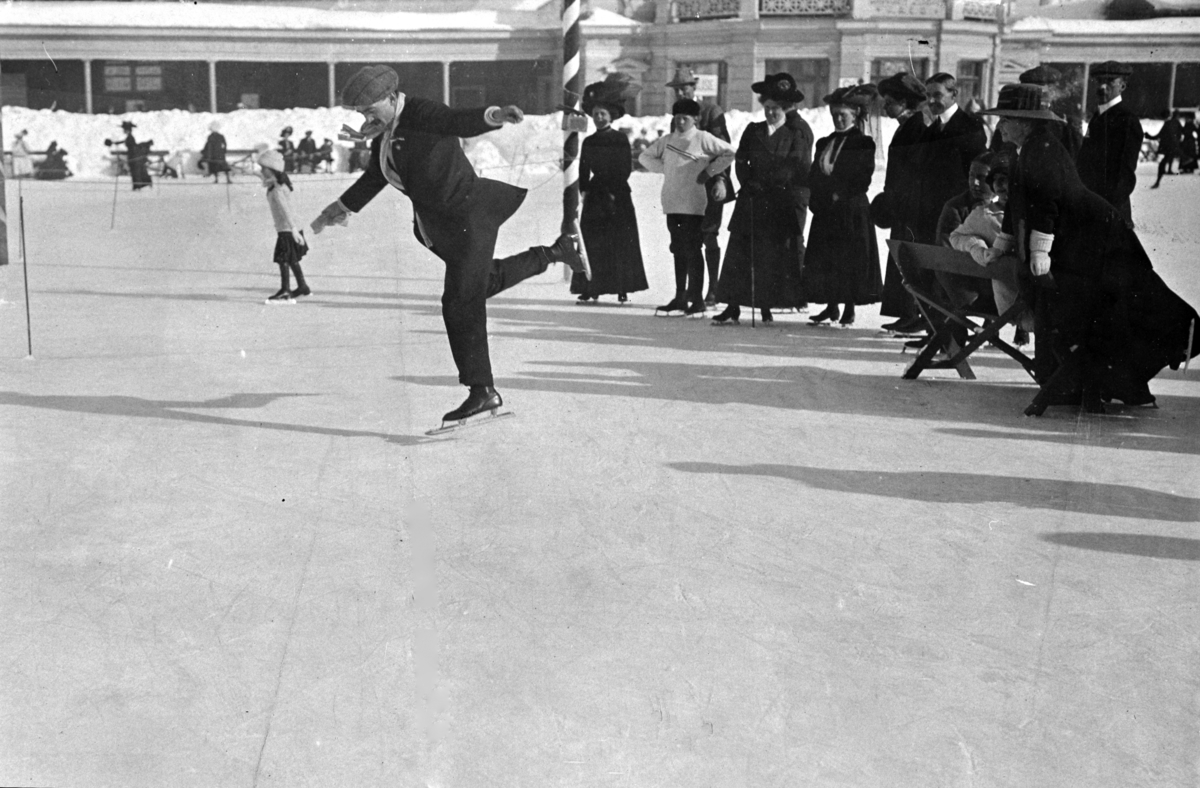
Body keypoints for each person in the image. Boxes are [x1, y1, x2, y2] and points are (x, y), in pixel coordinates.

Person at [310, 65, 588, 423]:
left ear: (392, 98)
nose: (366, 118)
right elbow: (376, 176)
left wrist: (494, 116)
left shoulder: (421, 112)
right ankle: (556, 251)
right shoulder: (386, 134)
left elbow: (457, 120)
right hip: (443, 228)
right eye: (362, 113)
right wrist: (340, 208)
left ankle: (482, 391)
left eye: (370, 110)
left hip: (470, 215)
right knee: (480, 283)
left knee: (460, 302)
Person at [980, 83, 1199, 416]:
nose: (1000, 126)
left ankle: (1125, 384)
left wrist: (1040, 251)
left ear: (1024, 122)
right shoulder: (1028, 149)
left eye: (1005, 119)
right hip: (1081, 242)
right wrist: (1002, 245)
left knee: (1128, 309)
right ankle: (1105, 384)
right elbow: (1018, 204)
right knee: (1102, 314)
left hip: (1100, 240)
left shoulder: (1044, 149)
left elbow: (1049, 200)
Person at [711, 72, 812, 325]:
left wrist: (771, 183)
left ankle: (766, 306)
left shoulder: (794, 133)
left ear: (785, 108)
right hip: (751, 200)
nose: (770, 113)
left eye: (775, 108)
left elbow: (795, 164)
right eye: (767, 108)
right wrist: (748, 182)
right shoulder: (753, 130)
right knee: (740, 254)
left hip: (777, 202)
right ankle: (732, 305)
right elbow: (741, 160)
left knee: (768, 256)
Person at [638, 98, 736, 317]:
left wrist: (709, 172)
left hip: (694, 204)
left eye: (685, 118)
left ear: (696, 119)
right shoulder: (668, 140)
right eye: (677, 118)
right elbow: (645, 157)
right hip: (673, 202)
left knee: (693, 249)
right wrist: (666, 168)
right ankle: (680, 296)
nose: (680, 122)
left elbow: (729, 152)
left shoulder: (703, 138)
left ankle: (697, 299)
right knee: (677, 249)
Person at [802, 85, 883, 328]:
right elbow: (814, 174)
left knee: (848, 259)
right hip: (826, 210)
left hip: (850, 210)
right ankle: (831, 306)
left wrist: (839, 193)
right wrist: (819, 196)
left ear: (854, 114)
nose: (838, 119)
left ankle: (849, 307)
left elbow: (862, 178)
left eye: (843, 115)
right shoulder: (824, 142)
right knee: (826, 259)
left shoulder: (863, 143)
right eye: (835, 114)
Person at [571, 74, 649, 305]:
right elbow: (583, 169)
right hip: (595, 196)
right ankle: (591, 287)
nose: (599, 118)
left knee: (620, 243)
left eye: (603, 114)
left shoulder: (620, 139)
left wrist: (613, 191)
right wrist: (584, 190)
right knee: (593, 243)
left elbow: (625, 168)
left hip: (617, 195)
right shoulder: (589, 141)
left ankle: (622, 288)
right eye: (596, 114)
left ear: (611, 116)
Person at [666, 66, 731, 307]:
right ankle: (683, 294)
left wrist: (720, 179)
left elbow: (723, 149)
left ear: (694, 87)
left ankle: (713, 289)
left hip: (710, 184)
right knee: (682, 240)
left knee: (709, 235)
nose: (680, 93)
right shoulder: (676, 117)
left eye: (684, 88)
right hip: (685, 187)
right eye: (676, 89)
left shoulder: (711, 111)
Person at [872, 72, 928, 332]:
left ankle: (915, 314)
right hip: (901, 205)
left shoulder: (917, 126)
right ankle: (907, 312)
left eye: (890, 102)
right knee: (902, 257)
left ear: (905, 102)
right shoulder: (906, 126)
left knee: (910, 259)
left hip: (910, 206)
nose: (885, 106)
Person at [1076, 61, 1143, 224]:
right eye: (1100, 81)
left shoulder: (1126, 120)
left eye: (1110, 82)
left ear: (1122, 86)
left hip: (1110, 211)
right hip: (1090, 206)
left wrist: (1107, 209)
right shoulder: (1098, 117)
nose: (1102, 87)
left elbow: (1125, 174)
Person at [257, 148, 310, 302]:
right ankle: (302, 286)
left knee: (284, 259)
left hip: (288, 228)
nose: (262, 171)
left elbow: (286, 210)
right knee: (291, 259)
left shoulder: (278, 190)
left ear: (272, 169)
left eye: (264, 168)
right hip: (289, 227)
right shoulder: (277, 184)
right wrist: (253, 173)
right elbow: (265, 179)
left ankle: (285, 289)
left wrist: (293, 230)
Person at [1146, 110, 1183, 188]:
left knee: (1163, 162)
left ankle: (1158, 181)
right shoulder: (1176, 123)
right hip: (1173, 145)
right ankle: (1162, 177)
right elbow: (1180, 133)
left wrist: (1149, 136)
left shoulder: (1168, 123)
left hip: (1168, 146)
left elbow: (1160, 135)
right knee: (1168, 159)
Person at [121, 120, 153, 191]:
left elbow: (133, 147)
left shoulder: (130, 137)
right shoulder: (129, 137)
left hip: (134, 157)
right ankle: (137, 186)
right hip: (133, 156)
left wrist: (134, 156)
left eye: (125, 129)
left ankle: (138, 186)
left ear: (127, 130)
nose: (124, 131)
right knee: (135, 172)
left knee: (136, 172)